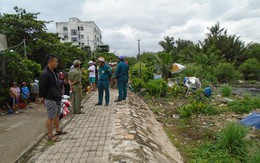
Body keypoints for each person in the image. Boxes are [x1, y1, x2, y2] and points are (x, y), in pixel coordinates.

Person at [39, 54, 68, 142]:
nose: (57, 63)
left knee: (57, 115)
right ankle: (50, 134)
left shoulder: (53, 71)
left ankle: (58, 130)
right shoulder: (45, 73)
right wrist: (43, 96)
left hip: (56, 96)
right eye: (56, 61)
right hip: (50, 97)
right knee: (50, 116)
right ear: (50, 61)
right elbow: (43, 86)